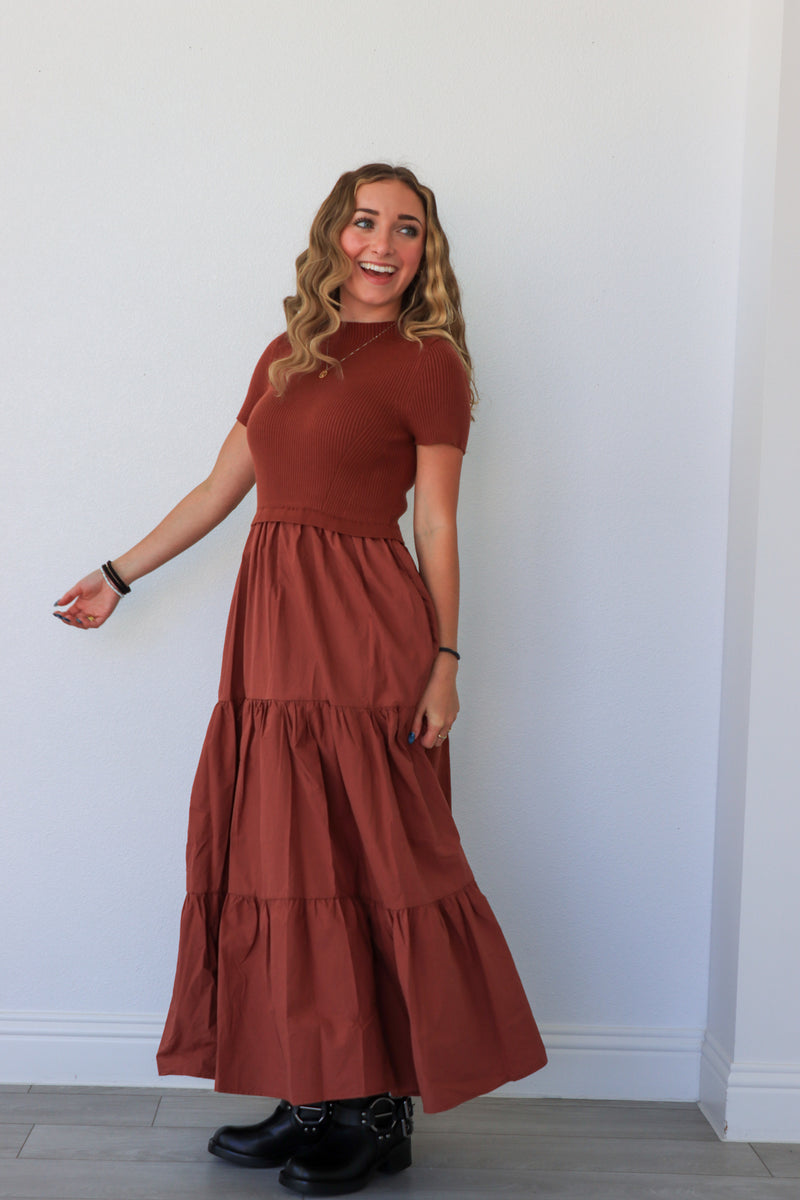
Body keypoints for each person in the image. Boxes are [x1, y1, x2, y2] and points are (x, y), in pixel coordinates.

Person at [54, 163, 547, 1196]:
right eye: (365, 221)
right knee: (285, 853)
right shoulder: (287, 353)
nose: (383, 243)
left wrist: (446, 660)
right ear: (333, 234)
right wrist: (117, 576)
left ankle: (377, 1110)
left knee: (369, 857)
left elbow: (437, 522)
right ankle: (312, 1090)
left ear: (425, 251)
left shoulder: (428, 362)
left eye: (406, 228)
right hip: (273, 636)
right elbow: (219, 489)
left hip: (365, 633)